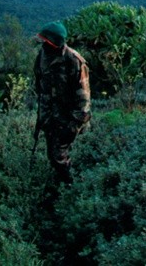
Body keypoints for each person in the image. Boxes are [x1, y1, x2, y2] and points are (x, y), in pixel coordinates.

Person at [34, 21, 91, 184]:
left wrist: (73, 126)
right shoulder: (42, 56)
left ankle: (72, 186)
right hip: (50, 118)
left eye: (46, 41)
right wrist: (42, 117)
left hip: (69, 120)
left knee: (59, 157)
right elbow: (40, 86)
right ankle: (62, 184)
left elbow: (84, 101)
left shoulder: (74, 61)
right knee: (53, 155)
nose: (42, 44)